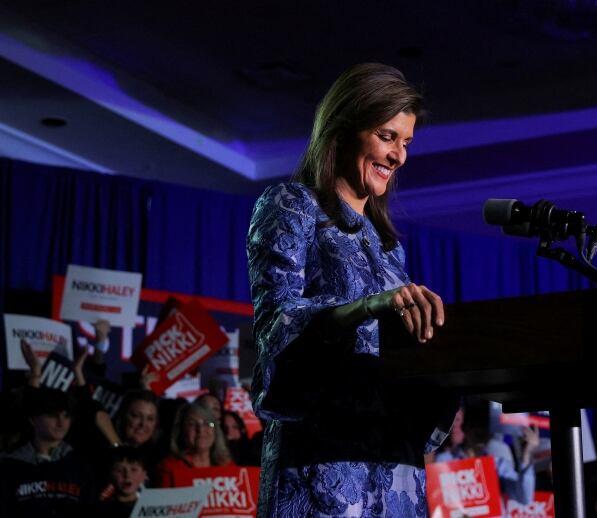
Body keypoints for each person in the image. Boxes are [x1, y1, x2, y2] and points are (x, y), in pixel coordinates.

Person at [247, 62, 458, 516]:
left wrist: (452, 361)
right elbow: (275, 330)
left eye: (405, 142)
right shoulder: (291, 205)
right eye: (387, 136)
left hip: (395, 478)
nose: (400, 156)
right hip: (323, 478)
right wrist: (365, 308)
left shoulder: (388, 248)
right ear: (343, 129)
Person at [0, 387, 95, 517]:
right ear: (33, 419)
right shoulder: (9, 465)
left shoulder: (80, 464)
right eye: (53, 415)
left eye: (66, 416)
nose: (61, 423)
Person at [155, 400, 233, 487]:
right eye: (192, 424)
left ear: (215, 431)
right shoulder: (170, 468)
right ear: (181, 431)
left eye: (207, 423)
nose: (200, 429)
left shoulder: (227, 466)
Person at [93, 446, 148, 517]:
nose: (127, 475)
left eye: (134, 469)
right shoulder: (101, 508)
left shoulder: (150, 506)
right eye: (119, 470)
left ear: (143, 475)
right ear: (110, 475)